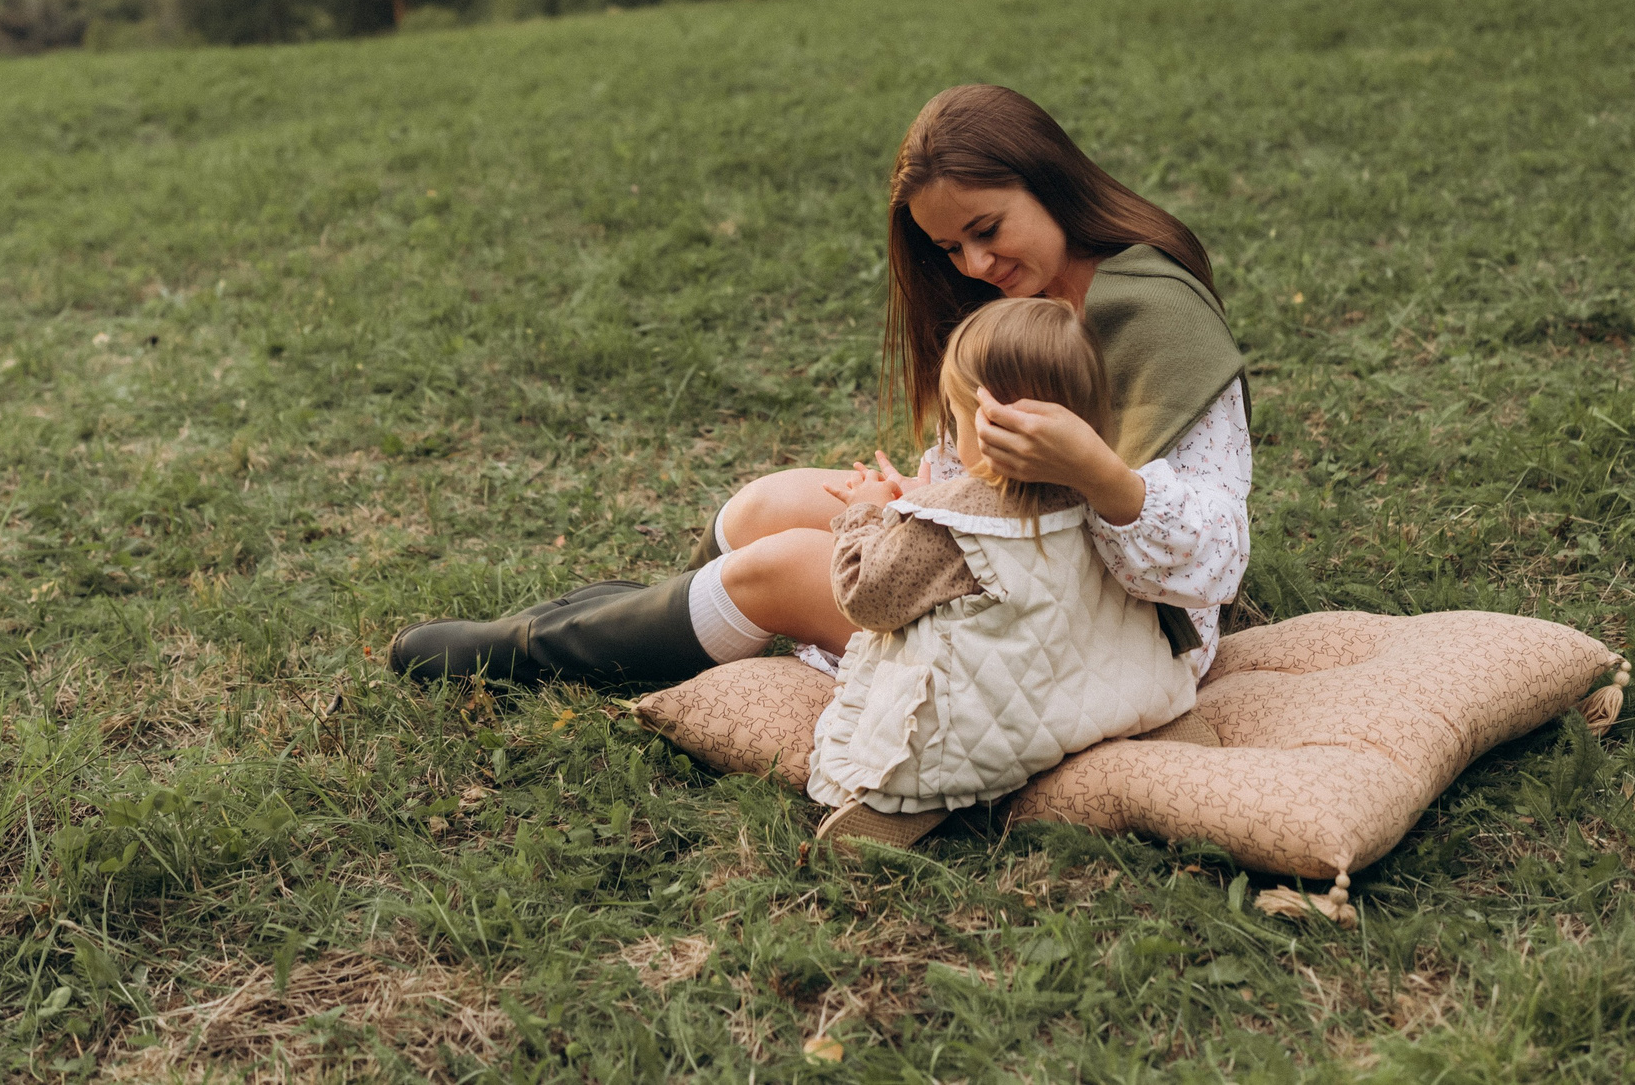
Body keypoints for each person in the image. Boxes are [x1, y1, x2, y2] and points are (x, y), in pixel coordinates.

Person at [387, 82, 1251, 689]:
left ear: (1048, 179)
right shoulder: (1009, 296)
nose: (977, 265)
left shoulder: (1155, 313)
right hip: (1015, 566)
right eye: (951, 249)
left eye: (987, 230)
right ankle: (651, 625)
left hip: (1112, 634)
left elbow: (1215, 559)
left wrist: (1103, 477)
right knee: (773, 503)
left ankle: (531, 652)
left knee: (792, 566)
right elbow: (993, 490)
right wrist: (923, 497)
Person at [806, 296, 1197, 829]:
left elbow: (864, 594)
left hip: (978, 737)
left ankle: (908, 806)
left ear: (991, 427)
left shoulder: (948, 526)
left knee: (913, 749)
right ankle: (1162, 727)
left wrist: (868, 515)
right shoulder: (1099, 490)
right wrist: (922, 504)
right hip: (1102, 695)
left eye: (956, 418)